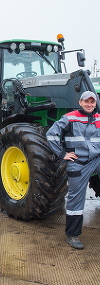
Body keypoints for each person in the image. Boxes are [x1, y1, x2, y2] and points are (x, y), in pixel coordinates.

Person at [46, 90, 100, 250]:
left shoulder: (98, 118)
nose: (89, 104)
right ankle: (72, 234)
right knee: (76, 198)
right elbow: (51, 134)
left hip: (96, 159)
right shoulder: (70, 118)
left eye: (93, 102)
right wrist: (62, 153)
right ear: (81, 102)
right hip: (79, 162)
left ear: (95, 103)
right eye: (86, 101)